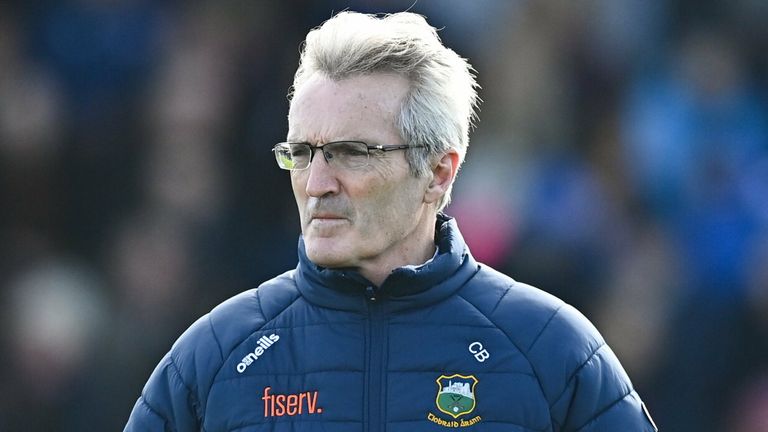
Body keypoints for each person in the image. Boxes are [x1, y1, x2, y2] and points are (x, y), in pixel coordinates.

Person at [125, 11, 658, 431]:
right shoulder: (213, 358)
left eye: (351, 152)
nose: (316, 183)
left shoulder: (553, 351)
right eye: (301, 154)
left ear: (438, 173)